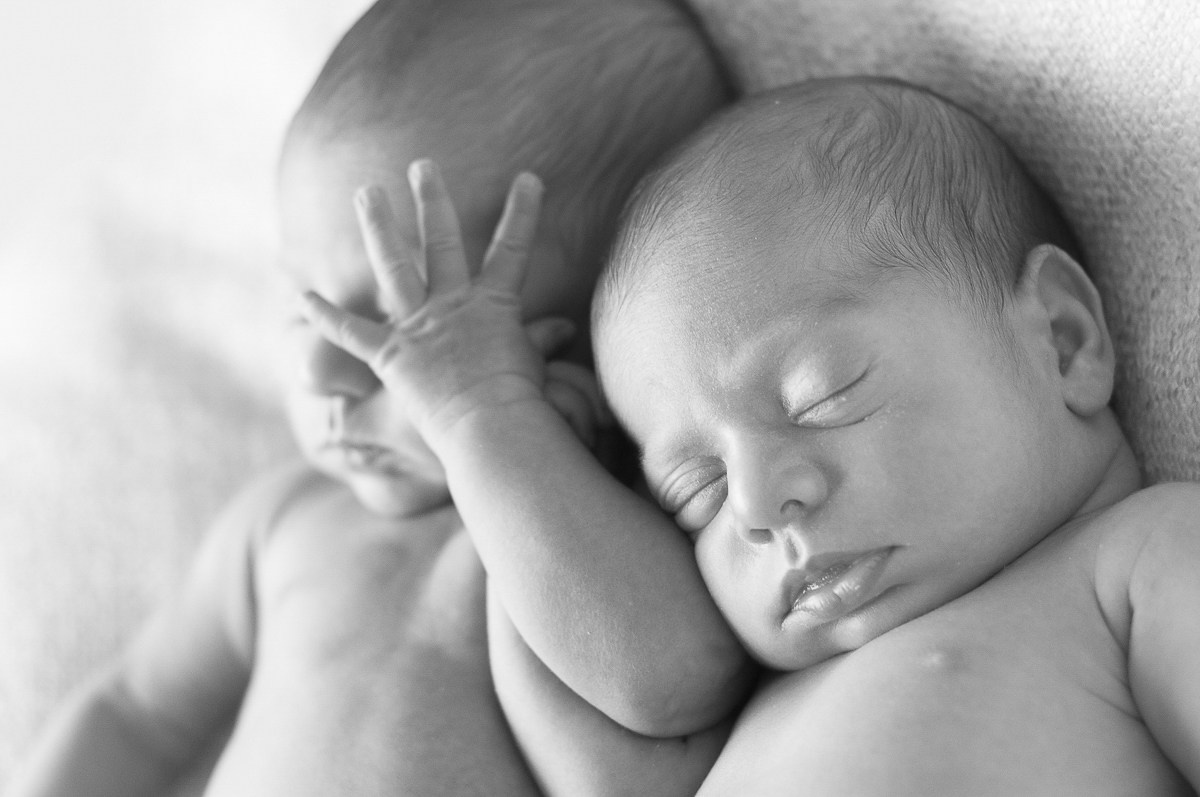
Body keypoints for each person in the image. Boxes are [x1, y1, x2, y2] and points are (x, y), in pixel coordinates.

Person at [303, 76, 1200, 796]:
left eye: (822, 396)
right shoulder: (742, 710)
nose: (761, 503)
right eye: (696, 491)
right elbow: (609, 711)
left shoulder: (1134, 564)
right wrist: (492, 428)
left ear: (1062, 340)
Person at [4, 1, 741, 796]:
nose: (321, 373)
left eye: (397, 320)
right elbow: (133, 715)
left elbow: (675, 687)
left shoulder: (597, 552)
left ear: (590, 336)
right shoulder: (285, 524)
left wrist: (481, 420)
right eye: (305, 301)